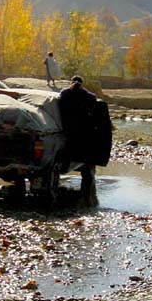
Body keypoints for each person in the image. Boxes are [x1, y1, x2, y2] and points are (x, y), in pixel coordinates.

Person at [58, 75, 98, 205]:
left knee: (66, 153)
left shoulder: (64, 93)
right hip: (84, 132)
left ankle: (62, 169)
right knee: (87, 164)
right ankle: (86, 196)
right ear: (83, 84)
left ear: (71, 82)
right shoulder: (90, 97)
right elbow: (94, 112)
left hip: (67, 130)